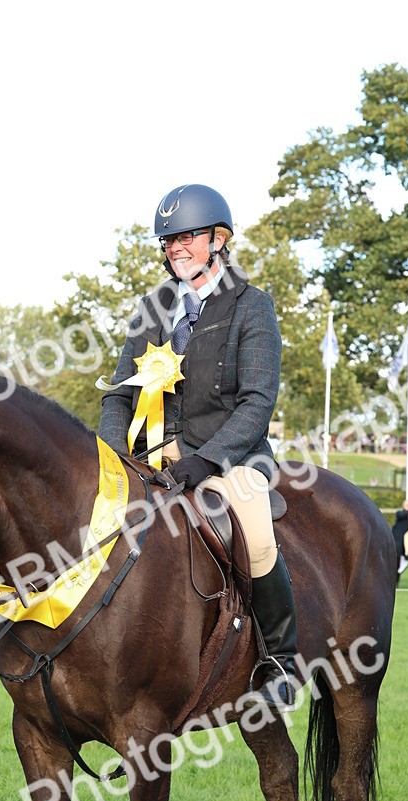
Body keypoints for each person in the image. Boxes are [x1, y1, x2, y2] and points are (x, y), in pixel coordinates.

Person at [99, 182, 295, 709]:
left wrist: (204, 461)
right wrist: (110, 456)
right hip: (148, 460)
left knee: (254, 530)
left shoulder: (252, 307)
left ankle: (280, 660)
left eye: (187, 236)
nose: (176, 248)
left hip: (229, 458)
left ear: (218, 238)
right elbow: (119, 396)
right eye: (168, 240)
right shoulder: (152, 308)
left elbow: (256, 402)